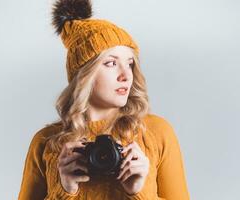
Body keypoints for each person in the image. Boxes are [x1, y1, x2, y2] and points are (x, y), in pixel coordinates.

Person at [18, 0, 190, 199]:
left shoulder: (157, 133)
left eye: (130, 63)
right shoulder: (45, 142)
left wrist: (139, 192)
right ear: (84, 75)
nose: (126, 75)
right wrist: (64, 190)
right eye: (110, 63)